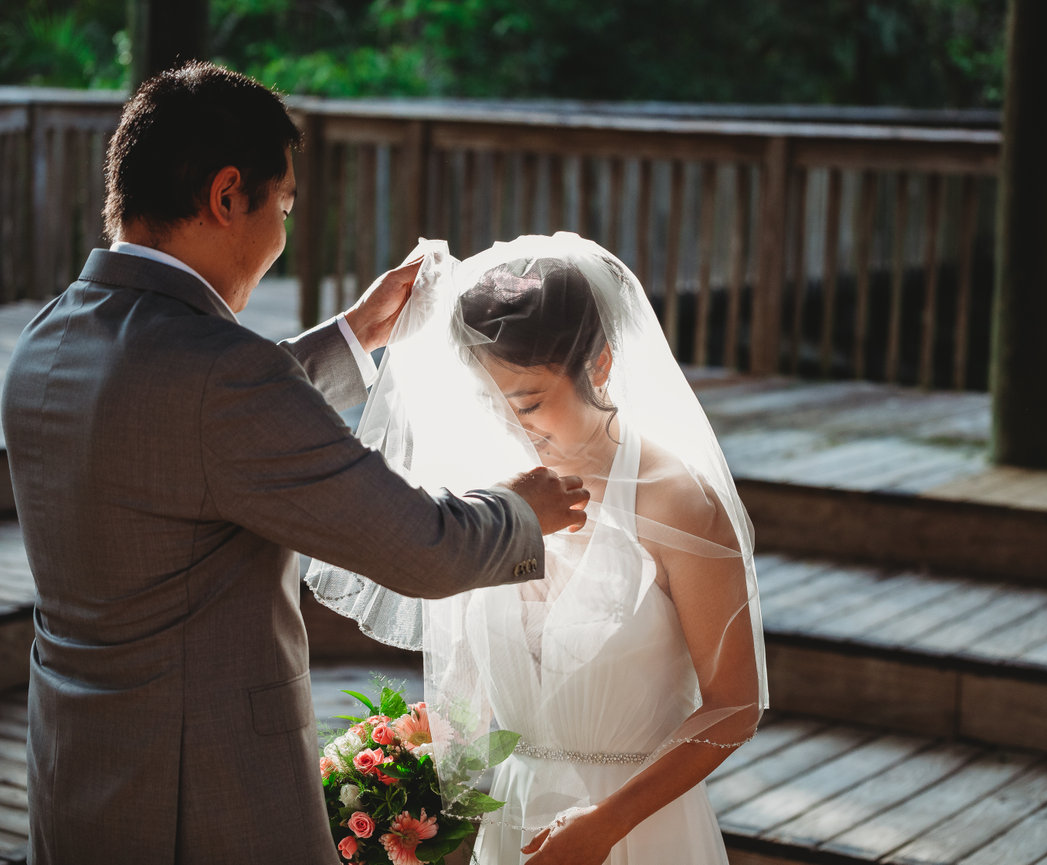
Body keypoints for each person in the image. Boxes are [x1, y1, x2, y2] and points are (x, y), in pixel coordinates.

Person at [0, 63, 588, 865]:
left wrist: (353, 334)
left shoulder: (48, 336)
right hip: (203, 793)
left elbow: (179, 426)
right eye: (282, 206)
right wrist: (520, 511)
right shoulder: (222, 379)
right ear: (226, 195)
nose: (282, 234)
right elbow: (419, 546)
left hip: (74, 766)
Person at [308, 233, 768, 864]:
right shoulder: (489, 492)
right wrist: (394, 781)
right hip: (512, 821)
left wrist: (607, 825)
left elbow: (735, 704)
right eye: (489, 403)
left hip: (637, 830)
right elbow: (469, 696)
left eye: (528, 404)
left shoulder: (677, 501)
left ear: (600, 366)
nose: (509, 427)